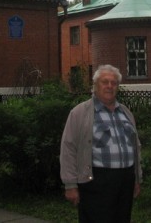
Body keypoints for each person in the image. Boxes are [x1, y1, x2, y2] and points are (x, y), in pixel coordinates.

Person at [60, 64, 142, 223]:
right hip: (96, 182)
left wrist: (137, 179)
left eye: (114, 83)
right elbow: (68, 148)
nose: (109, 86)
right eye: (105, 82)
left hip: (125, 181)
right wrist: (70, 184)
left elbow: (136, 147)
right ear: (95, 85)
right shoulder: (80, 113)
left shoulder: (126, 113)